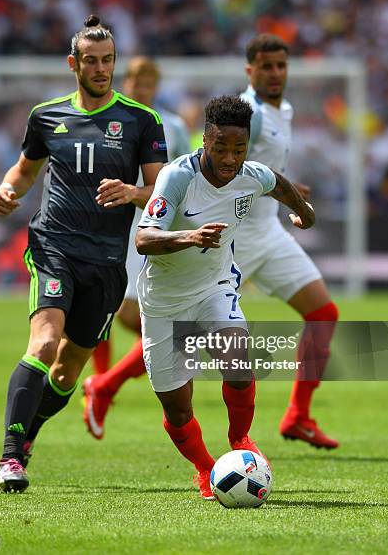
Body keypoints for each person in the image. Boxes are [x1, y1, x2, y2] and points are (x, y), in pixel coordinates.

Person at [0, 15, 168, 493]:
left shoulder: (141, 120)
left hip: (108, 261)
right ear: (74, 63)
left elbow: (162, 191)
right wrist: (8, 190)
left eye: (107, 60)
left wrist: (132, 193)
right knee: (44, 344)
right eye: (91, 60)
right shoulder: (46, 115)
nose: (100, 68)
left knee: (68, 370)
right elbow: (25, 172)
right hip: (55, 245)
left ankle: (28, 436)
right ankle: (10, 456)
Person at [135, 94, 315, 499]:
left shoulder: (252, 174)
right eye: (221, 148)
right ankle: (205, 469)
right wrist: (189, 236)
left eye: (239, 149)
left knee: (238, 359)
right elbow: (143, 238)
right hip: (163, 301)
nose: (231, 158)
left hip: (214, 288)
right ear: (205, 141)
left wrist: (305, 211)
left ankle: (240, 440)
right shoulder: (177, 177)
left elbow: (278, 184)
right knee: (178, 409)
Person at [236, 33, 339, 448]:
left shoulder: (285, 109)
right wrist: (284, 191)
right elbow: (227, 171)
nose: (275, 73)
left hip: (270, 232)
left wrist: (287, 190)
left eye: (281, 66)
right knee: (187, 330)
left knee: (324, 313)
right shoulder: (249, 114)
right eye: (266, 66)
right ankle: (108, 385)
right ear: (250, 70)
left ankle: (298, 414)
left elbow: (263, 172)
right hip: (236, 238)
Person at [82, 56, 190, 439]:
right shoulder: (110, 120)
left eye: (149, 79)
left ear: (157, 84)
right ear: (125, 80)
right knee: (113, 311)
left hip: (149, 229)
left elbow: (182, 180)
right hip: (112, 228)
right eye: (135, 78)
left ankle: (104, 386)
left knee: (162, 326)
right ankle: (102, 383)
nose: (141, 85)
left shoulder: (172, 126)